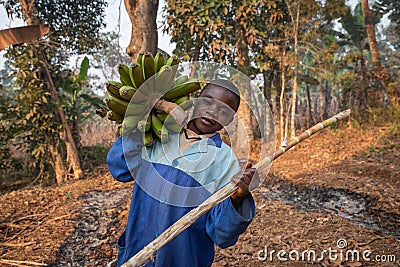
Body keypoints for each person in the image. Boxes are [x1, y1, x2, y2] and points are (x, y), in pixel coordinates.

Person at [107, 78, 257, 267]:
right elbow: (119, 169)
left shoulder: (225, 161)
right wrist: (137, 124)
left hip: (184, 259)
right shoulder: (157, 135)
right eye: (208, 101)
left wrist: (236, 199)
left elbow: (222, 234)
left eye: (224, 111)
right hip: (135, 252)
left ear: (230, 120)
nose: (213, 111)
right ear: (195, 100)